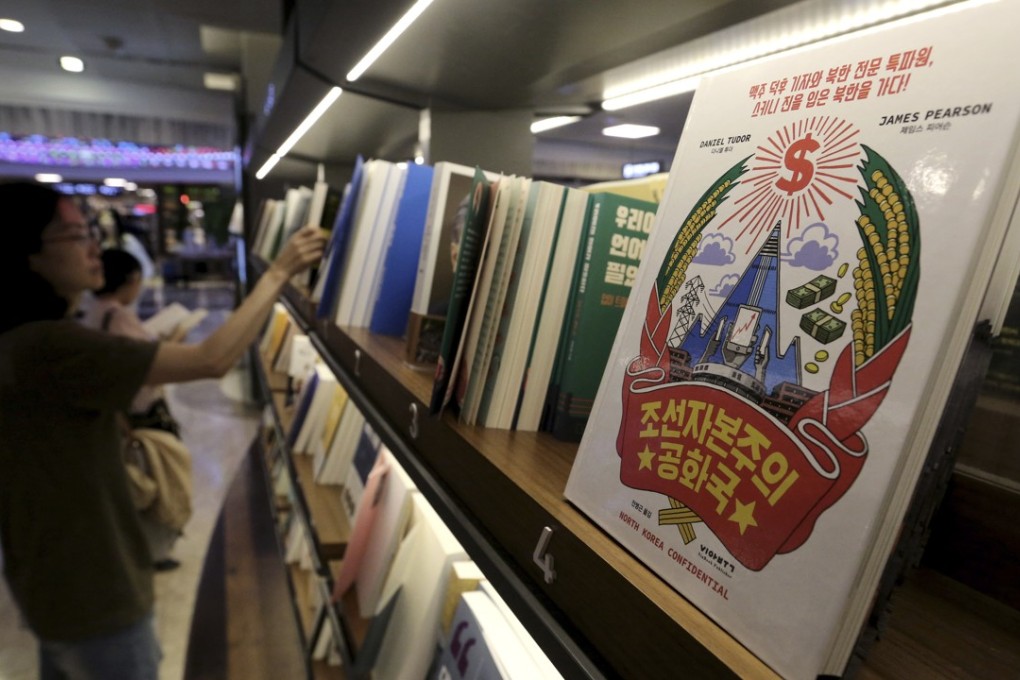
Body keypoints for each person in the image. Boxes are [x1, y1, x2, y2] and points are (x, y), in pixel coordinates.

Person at [0, 181, 325, 680]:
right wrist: (280, 271)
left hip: (50, 583)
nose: (95, 247)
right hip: (95, 591)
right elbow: (212, 359)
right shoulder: (49, 346)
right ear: (26, 253)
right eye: (75, 234)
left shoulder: (22, 342)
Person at [82, 248, 186, 571]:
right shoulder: (118, 315)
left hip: (117, 414)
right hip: (139, 415)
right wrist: (175, 342)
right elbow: (147, 367)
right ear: (130, 280)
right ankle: (152, 553)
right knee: (152, 481)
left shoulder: (93, 311)